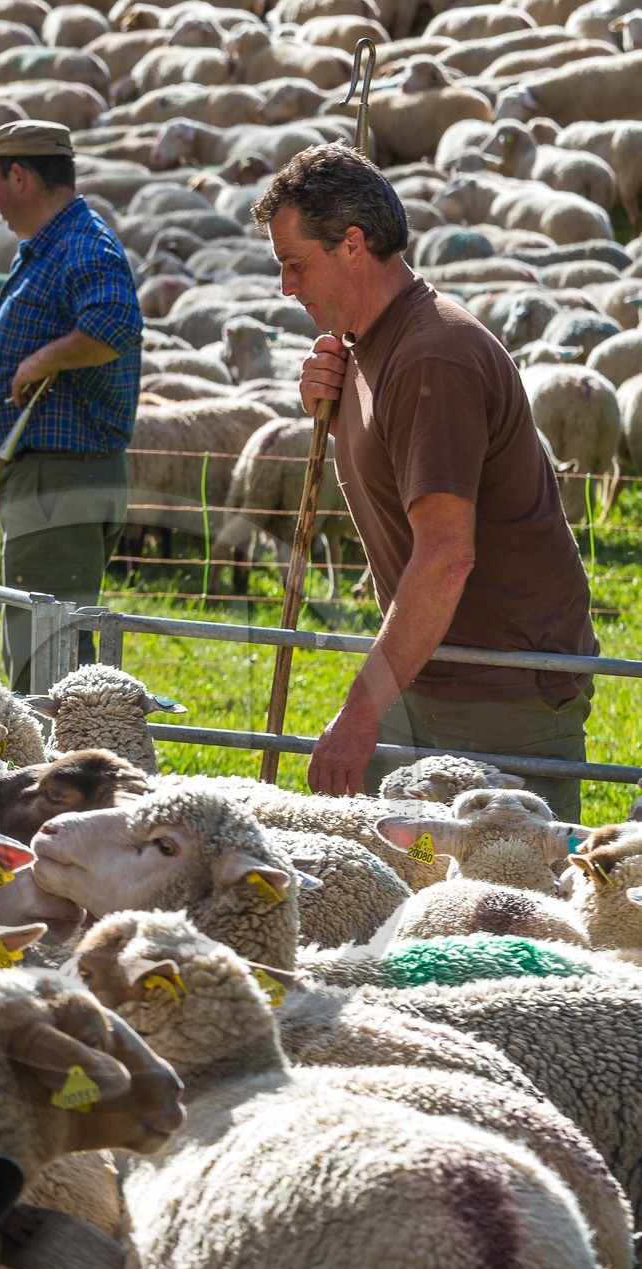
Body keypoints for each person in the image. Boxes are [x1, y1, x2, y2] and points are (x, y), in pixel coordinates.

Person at [251, 144, 598, 821]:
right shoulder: (367, 348)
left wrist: (356, 717)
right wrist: (327, 402)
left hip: (494, 693)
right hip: (431, 672)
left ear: (352, 245)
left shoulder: (430, 357)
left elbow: (445, 556)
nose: (286, 288)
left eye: (296, 265)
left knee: (502, 901)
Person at [0, 120, 142, 693]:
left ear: (20, 175)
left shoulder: (83, 242)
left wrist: (36, 364)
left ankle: (60, 774)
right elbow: (68, 330)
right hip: (46, 476)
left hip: (60, 478)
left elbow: (113, 325)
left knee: (50, 657)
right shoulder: (55, 243)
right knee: (37, 639)